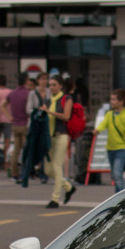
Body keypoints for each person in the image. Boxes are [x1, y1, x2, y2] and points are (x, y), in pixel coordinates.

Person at [40, 75, 76, 209]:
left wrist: (49, 112)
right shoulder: (49, 100)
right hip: (50, 137)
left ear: (61, 86)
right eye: (50, 85)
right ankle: (68, 187)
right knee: (48, 170)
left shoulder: (67, 98)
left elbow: (66, 117)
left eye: (54, 84)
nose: (51, 87)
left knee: (56, 166)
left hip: (62, 135)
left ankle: (55, 199)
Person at [96, 89, 125, 193]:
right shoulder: (109, 114)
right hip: (110, 148)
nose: (111, 102)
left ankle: (122, 196)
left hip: (121, 149)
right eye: (111, 99)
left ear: (121, 102)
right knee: (114, 175)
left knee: (117, 174)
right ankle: (117, 195)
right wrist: (98, 130)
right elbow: (104, 124)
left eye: (114, 100)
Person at [24, 73, 51, 182]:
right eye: (42, 79)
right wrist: (38, 111)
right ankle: (31, 169)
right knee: (33, 147)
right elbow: (28, 109)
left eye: (46, 79)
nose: (44, 81)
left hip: (45, 123)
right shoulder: (32, 93)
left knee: (44, 147)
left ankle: (43, 172)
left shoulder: (50, 92)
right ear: (38, 81)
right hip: (35, 123)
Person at [8, 73, 33, 182]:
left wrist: (9, 117)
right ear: (26, 81)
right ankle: (25, 173)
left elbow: (3, 104)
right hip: (25, 124)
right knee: (26, 151)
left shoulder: (12, 93)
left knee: (16, 150)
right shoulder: (28, 94)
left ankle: (14, 173)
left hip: (15, 125)